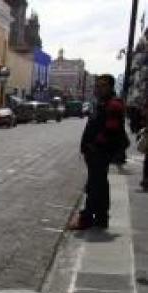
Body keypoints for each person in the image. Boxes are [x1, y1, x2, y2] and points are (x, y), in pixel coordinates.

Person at [70, 75, 128, 230]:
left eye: (102, 86)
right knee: (100, 185)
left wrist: (94, 146)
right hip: (96, 152)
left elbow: (110, 130)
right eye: (97, 85)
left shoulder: (113, 105)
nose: (98, 88)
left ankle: (86, 219)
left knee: (94, 186)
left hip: (100, 153)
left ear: (110, 87)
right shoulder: (102, 104)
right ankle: (101, 218)